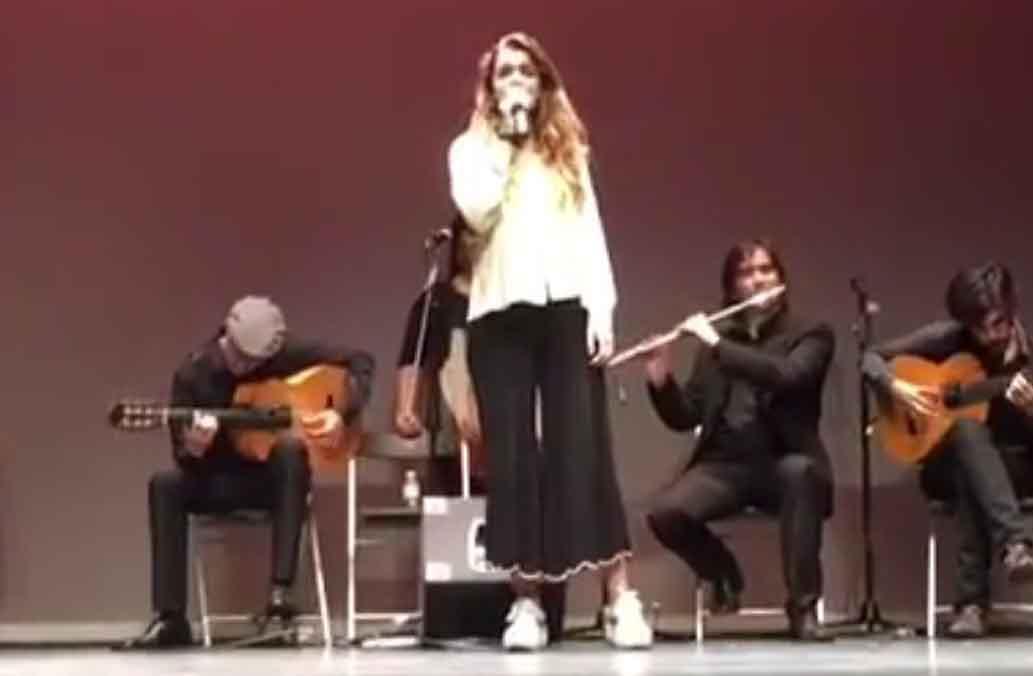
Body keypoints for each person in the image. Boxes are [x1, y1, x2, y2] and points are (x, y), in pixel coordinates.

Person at [447, 31, 651, 650]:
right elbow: (476, 211)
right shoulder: (468, 149)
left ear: (543, 84)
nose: (516, 82)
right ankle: (527, 605)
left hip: (566, 307)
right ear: (489, 85)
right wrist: (505, 143)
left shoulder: (567, 150)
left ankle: (620, 598)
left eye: (526, 73)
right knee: (511, 460)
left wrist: (603, 309)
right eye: (505, 72)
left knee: (583, 448)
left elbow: (591, 234)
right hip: (498, 314)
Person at [120, 295, 374, 649]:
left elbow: (361, 361)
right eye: (238, 356)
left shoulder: (283, 356)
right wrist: (195, 448)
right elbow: (184, 459)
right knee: (165, 484)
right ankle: (171, 618)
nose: (244, 366)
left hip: (275, 483)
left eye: (255, 362)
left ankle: (280, 598)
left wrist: (341, 414)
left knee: (289, 450)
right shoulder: (194, 374)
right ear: (226, 335)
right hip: (218, 482)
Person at [862, 262, 1033, 638]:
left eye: (995, 323)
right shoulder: (952, 338)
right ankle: (1014, 543)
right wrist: (897, 388)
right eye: (976, 327)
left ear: (1013, 311)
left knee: (972, 467)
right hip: (944, 467)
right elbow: (871, 357)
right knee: (965, 434)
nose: (986, 335)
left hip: (1017, 472)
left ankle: (972, 605)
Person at [642, 238, 836, 641]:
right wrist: (660, 380)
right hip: (725, 465)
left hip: (783, 461)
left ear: (780, 279)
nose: (757, 280)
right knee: (665, 513)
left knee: (801, 475)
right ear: (732, 288)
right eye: (746, 274)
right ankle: (723, 573)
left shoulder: (810, 333)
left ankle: (803, 610)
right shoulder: (719, 340)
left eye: (766, 271)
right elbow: (686, 416)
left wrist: (717, 345)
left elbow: (788, 376)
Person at [394, 214, 486, 495]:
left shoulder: (508, 302)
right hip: (450, 432)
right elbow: (413, 359)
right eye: (470, 237)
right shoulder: (436, 301)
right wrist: (405, 408)